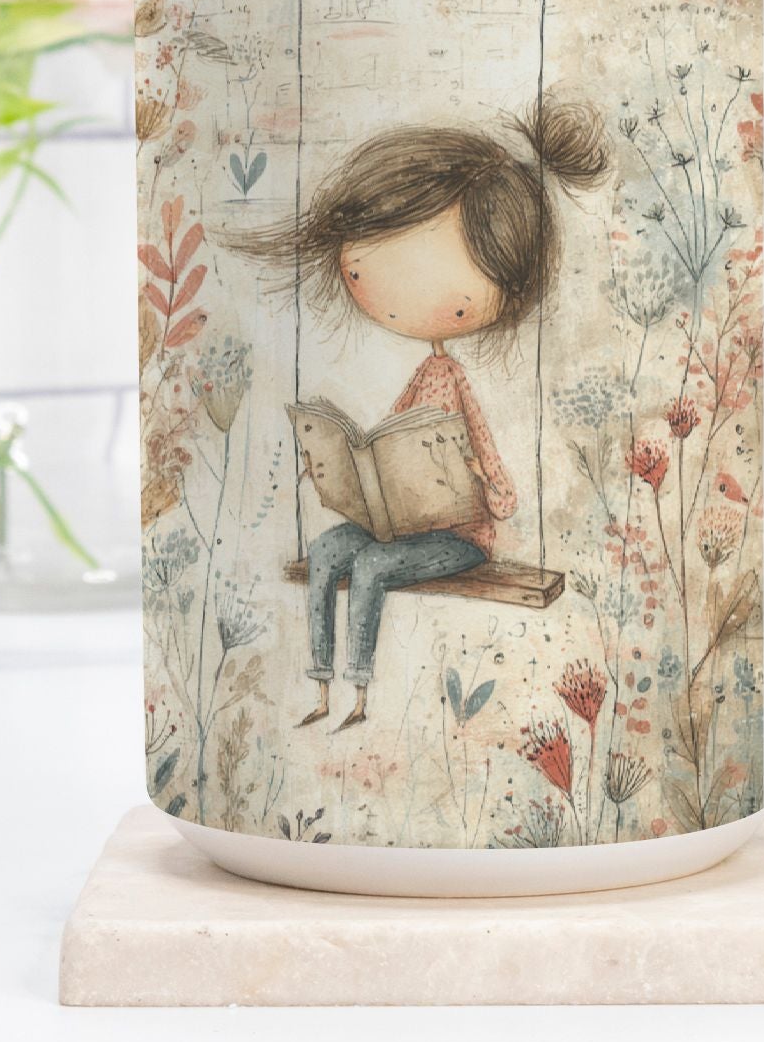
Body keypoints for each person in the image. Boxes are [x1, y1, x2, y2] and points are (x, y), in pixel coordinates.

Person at [230, 97, 608, 729]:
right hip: (400, 531)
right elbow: (385, 447)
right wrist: (342, 470)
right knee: (325, 550)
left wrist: (481, 485)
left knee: (371, 566)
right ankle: (319, 683)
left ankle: (359, 692)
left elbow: (500, 486)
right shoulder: (421, 379)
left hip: (456, 540)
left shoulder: (453, 381)